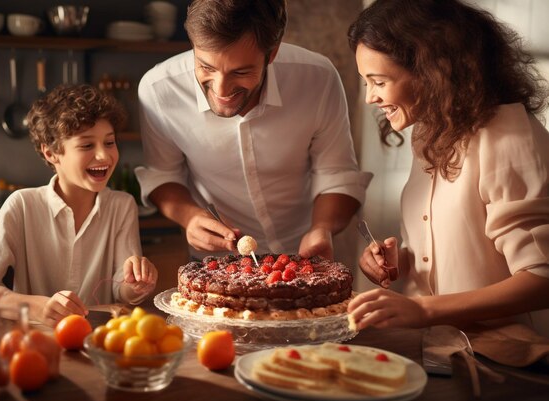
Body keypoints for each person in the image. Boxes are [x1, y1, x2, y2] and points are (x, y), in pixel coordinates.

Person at [346, 0, 549, 337]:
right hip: (441, 351)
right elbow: (460, 250)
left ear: (433, 72)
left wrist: (424, 310)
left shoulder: (509, 139)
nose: (370, 98)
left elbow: (542, 278)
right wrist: (403, 261)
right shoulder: (431, 132)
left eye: (379, 82)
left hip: (501, 363)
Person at [135, 0, 372, 261]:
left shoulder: (317, 78)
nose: (221, 90)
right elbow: (162, 175)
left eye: (240, 72)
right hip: (218, 263)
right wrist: (189, 216)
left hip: (302, 258)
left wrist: (322, 228)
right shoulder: (158, 90)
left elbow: (336, 174)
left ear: (272, 53)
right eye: (206, 67)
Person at [0, 84, 158, 327]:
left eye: (109, 142)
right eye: (87, 145)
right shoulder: (22, 205)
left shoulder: (122, 205)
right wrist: (36, 307)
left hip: (100, 341)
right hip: (34, 343)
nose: (104, 156)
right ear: (51, 153)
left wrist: (135, 283)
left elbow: (121, 290)